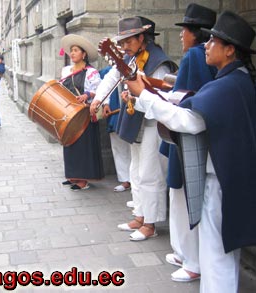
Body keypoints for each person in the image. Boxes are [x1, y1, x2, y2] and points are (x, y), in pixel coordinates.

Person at [124, 10, 256, 293]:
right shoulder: (237, 80)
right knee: (220, 253)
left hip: (221, 183)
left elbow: (189, 121)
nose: (205, 45)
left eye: (213, 42)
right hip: (227, 180)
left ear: (230, 50)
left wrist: (143, 95)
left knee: (216, 255)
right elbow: (191, 103)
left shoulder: (230, 84)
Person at [91, 17, 178, 241]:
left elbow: (159, 100)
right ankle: (139, 215)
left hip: (152, 123)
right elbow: (113, 76)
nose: (124, 47)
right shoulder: (131, 58)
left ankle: (151, 223)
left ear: (142, 38)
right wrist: (98, 99)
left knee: (150, 174)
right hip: (135, 121)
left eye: (128, 41)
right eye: (122, 42)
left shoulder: (159, 62)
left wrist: (133, 97)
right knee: (136, 171)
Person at [158, 3, 217, 283]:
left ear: (197, 34)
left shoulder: (195, 56)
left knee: (182, 196)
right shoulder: (200, 56)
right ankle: (184, 253)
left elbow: (184, 99)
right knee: (181, 196)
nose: (181, 35)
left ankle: (191, 260)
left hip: (185, 137)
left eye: (185, 30)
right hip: (189, 135)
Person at [60, 34, 104, 190]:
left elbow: (100, 91)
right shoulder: (66, 71)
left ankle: (83, 180)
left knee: (82, 146)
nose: (72, 53)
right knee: (69, 144)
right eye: (71, 50)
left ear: (84, 54)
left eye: (76, 50)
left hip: (84, 114)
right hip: (69, 113)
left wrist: (87, 95)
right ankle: (73, 176)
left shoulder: (91, 72)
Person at [98, 65, 131, 193]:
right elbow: (106, 87)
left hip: (132, 109)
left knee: (134, 147)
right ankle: (125, 180)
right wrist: (105, 103)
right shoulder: (108, 71)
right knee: (118, 145)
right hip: (115, 109)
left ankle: (136, 182)